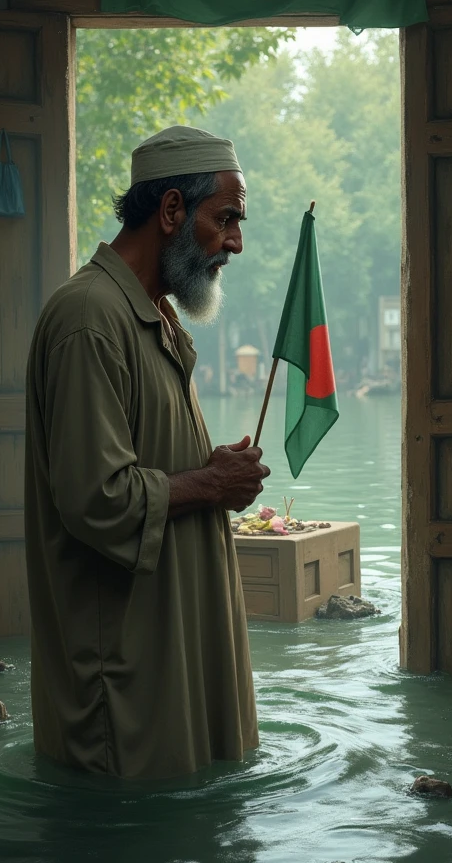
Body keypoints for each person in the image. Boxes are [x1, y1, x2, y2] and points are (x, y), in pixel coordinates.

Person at [24, 125, 270, 779]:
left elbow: (146, 460)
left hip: (172, 655)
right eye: (226, 220)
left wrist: (207, 468)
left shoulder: (152, 314)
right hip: (123, 682)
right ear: (170, 212)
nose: (236, 242)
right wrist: (211, 484)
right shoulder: (88, 318)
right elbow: (95, 499)